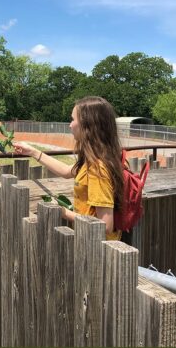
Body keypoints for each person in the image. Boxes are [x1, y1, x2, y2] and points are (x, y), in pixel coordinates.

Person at [13, 96, 124, 240]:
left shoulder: (98, 169)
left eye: (73, 120)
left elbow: (105, 225)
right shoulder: (94, 160)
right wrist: (32, 151)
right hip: (90, 242)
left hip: (97, 250)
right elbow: (66, 171)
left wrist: (64, 212)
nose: (70, 125)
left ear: (87, 125)